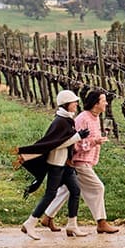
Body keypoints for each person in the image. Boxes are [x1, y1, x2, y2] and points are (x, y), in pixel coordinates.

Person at [38, 89, 119, 234]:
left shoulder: (95, 117)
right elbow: (76, 144)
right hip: (79, 161)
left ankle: (47, 217)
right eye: (103, 100)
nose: (106, 103)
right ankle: (101, 222)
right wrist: (95, 141)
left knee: (69, 189)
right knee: (98, 188)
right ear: (95, 104)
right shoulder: (83, 119)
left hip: (85, 161)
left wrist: (97, 140)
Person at [15, 89, 90, 239]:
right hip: (56, 163)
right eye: (74, 102)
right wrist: (77, 137)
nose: (76, 104)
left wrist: (76, 137)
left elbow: (62, 140)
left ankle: (72, 225)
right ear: (66, 104)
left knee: (75, 191)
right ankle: (30, 223)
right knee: (50, 194)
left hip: (66, 164)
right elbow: (55, 144)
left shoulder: (67, 120)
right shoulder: (60, 121)